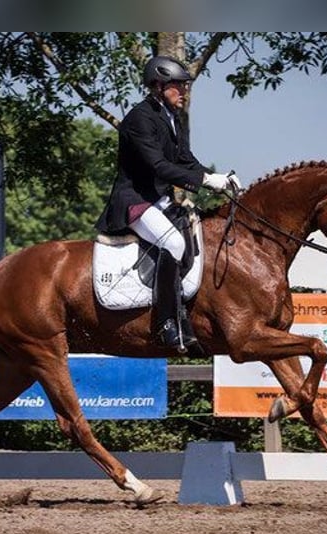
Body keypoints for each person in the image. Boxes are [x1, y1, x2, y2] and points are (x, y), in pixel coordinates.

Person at [95, 55, 240, 353]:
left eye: (185, 86)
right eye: (178, 86)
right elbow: (159, 167)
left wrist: (217, 178)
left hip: (159, 201)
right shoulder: (140, 118)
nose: (184, 91)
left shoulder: (172, 118)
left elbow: (185, 160)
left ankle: (186, 316)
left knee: (198, 234)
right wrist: (203, 182)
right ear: (158, 85)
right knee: (173, 244)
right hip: (135, 201)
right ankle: (167, 322)